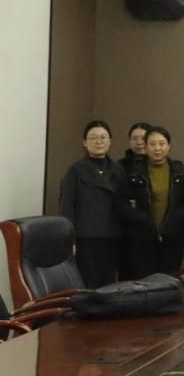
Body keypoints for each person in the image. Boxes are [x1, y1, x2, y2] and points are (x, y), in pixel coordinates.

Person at [59, 120, 125, 288]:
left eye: (103, 137)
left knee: (109, 285)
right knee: (89, 286)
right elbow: (66, 208)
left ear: (110, 141)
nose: (98, 142)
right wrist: (69, 240)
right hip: (86, 239)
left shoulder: (118, 169)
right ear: (85, 142)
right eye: (93, 138)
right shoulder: (76, 170)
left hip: (112, 237)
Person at [123, 126, 184, 277]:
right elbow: (122, 205)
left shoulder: (180, 172)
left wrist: (178, 217)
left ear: (169, 146)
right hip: (142, 238)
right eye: (152, 144)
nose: (157, 148)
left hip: (173, 237)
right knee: (145, 282)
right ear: (146, 147)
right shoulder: (134, 173)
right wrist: (141, 218)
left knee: (170, 281)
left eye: (162, 143)